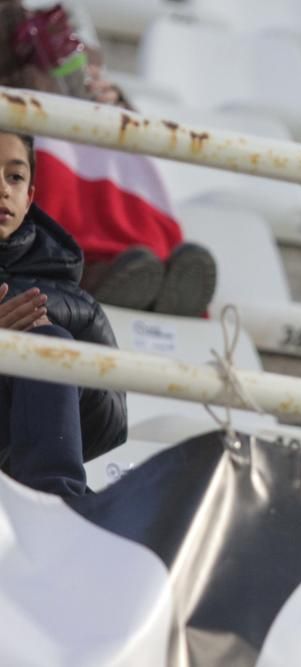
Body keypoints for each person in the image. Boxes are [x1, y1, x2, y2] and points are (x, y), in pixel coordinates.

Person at [0, 0, 217, 317]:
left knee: (117, 135)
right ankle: (90, 272)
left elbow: (86, 66)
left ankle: (157, 267)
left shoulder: (68, 12)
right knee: (39, 151)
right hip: (22, 124)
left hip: (64, 119)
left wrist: (110, 97)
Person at [0, 131, 127, 496]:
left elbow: (110, 425)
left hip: (21, 469)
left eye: (15, 176)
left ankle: (59, 504)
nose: (3, 189)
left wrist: (48, 356)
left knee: (47, 345)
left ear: (29, 198)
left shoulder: (75, 300)